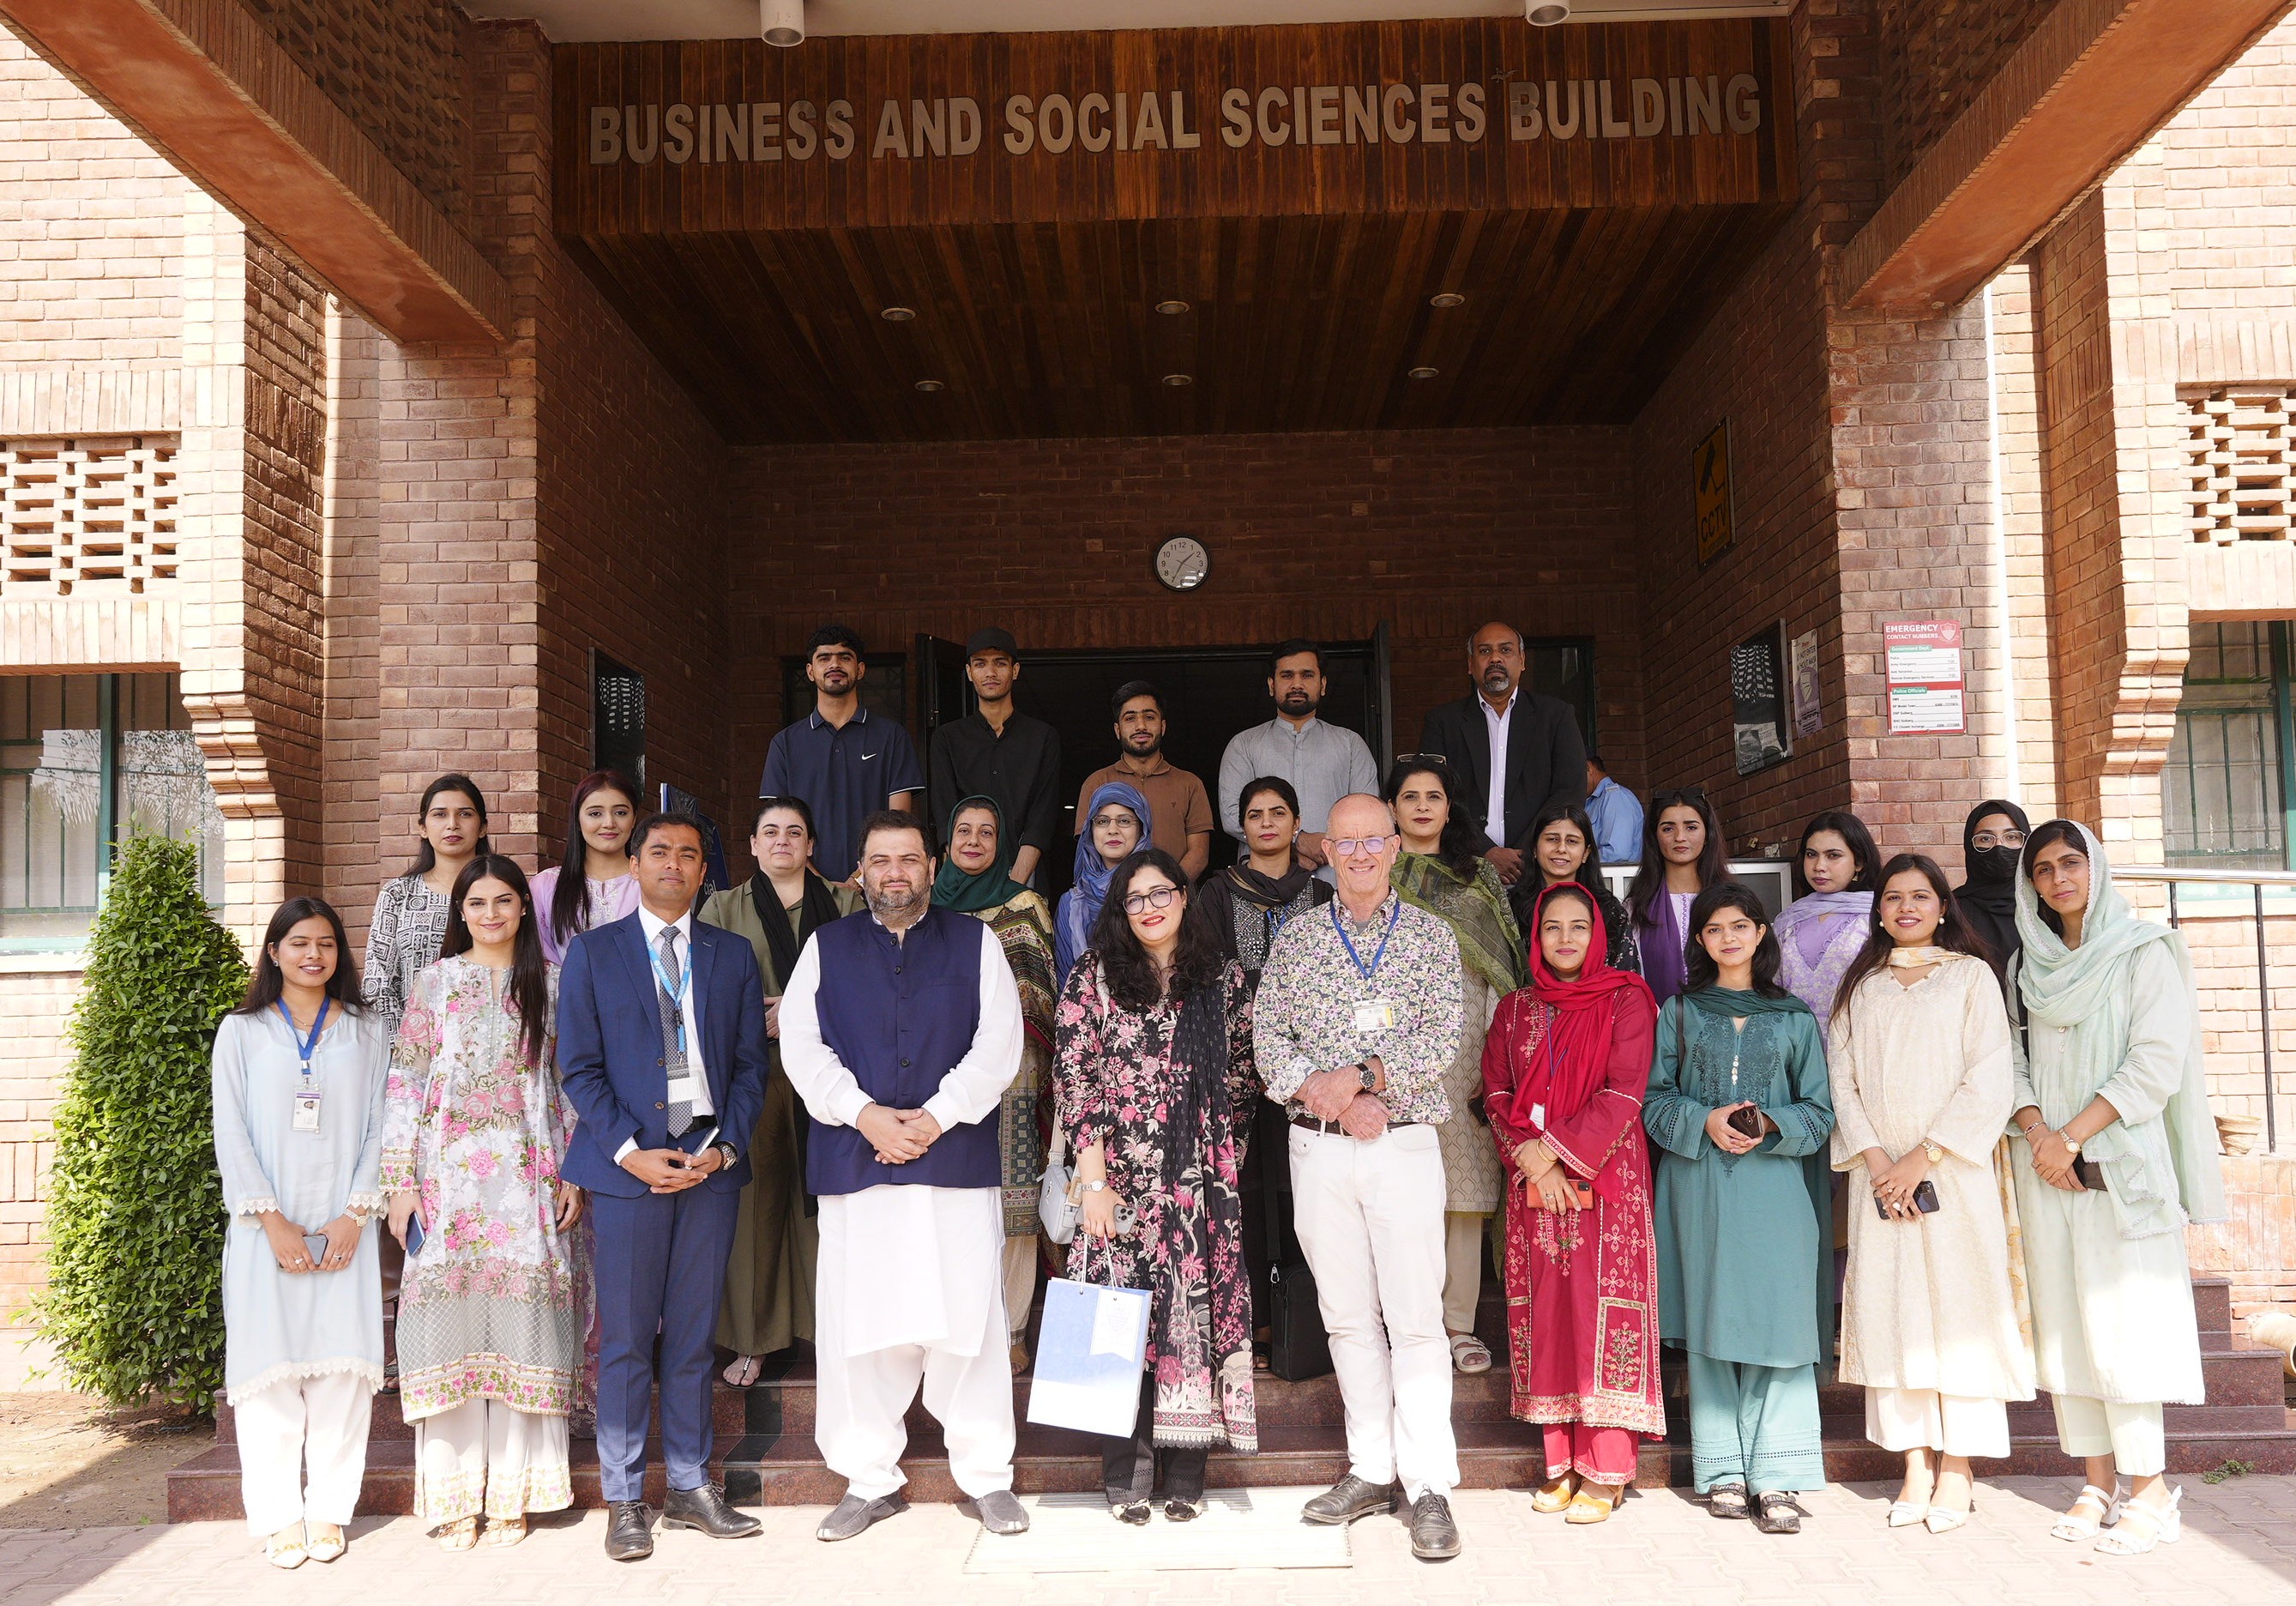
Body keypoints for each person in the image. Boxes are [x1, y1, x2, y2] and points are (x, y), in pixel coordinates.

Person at [777, 811, 1032, 1543]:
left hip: (951, 1161)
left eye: (909, 859)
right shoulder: (825, 947)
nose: (895, 872)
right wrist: (865, 1116)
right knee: (862, 1325)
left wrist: (936, 1117)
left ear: (931, 865)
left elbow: (997, 1045)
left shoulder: (975, 942)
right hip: (858, 1161)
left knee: (969, 1324)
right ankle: (868, 1479)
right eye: (880, 860)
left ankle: (986, 1477)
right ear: (859, 871)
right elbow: (802, 1048)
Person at [1254, 793, 1467, 1561]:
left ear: (1393, 847)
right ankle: (1371, 1469)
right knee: (1345, 1317)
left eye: (1373, 841)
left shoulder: (1432, 939)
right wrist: (1322, 1093)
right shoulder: (1298, 939)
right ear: (1328, 854)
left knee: (1413, 1319)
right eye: (1345, 844)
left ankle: (1430, 1482)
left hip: (1402, 1143)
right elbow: (1265, 1033)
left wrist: (1364, 1079)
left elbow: (1442, 1034)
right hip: (1318, 1148)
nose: (1362, 855)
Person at [2008, 821, 2227, 1556]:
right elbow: (2011, 1061)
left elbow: (2155, 1061)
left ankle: (2151, 1492)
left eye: (2071, 862)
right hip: (2046, 1173)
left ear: (2095, 868)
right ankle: (2096, 1481)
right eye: (2042, 868)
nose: (2058, 878)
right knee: (2067, 1329)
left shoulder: (2144, 951)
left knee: (2126, 1329)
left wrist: (2071, 1135)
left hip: (2119, 1171)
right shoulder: (2026, 964)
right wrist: (2040, 1134)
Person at [557, 812, 770, 1561]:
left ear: (704, 871)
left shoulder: (732, 955)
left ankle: (687, 1486)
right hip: (628, 1177)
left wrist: (725, 1147)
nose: (674, 864)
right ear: (634, 864)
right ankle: (623, 1498)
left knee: (689, 1338)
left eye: (688, 855)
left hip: (709, 1170)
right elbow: (577, 1067)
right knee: (625, 1342)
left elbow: (749, 1068)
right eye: (659, 853)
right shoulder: (592, 953)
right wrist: (627, 1153)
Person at [1826, 854, 2032, 1536]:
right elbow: (1842, 1080)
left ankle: (1957, 1466)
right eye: (1892, 898)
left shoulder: (1970, 978)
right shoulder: (1862, 988)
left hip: (1952, 1173)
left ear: (1944, 907)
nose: (1905, 908)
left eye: (1920, 896)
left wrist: (1923, 1157)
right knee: (1893, 1313)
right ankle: (1914, 1461)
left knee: (1959, 1308)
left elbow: (1989, 1076)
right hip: (1877, 1177)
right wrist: (1883, 1163)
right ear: (1877, 911)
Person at [383, 856, 584, 1550]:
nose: (491, 913)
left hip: (528, 1186)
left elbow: (571, 1089)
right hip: (446, 1186)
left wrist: (574, 1173)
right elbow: (406, 1084)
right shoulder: (435, 983)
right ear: (460, 911)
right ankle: (454, 1494)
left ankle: (516, 1496)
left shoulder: (552, 985)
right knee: (454, 1332)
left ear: (524, 909)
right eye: (477, 902)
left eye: (504, 901)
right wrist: (399, 1183)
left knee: (522, 1331)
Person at [1054, 849, 1260, 1521]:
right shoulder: (1093, 978)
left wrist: (1220, 1168)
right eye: (1133, 899)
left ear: (1183, 895)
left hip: (1200, 1184)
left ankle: (1187, 1470)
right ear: (1119, 910)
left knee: (1192, 1319)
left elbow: (1241, 1079)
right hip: (1116, 1181)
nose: (1148, 908)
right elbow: (1074, 1076)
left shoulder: (1222, 980)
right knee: (1120, 1322)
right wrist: (1091, 1182)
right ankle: (1126, 1470)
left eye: (1159, 893)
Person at [1643, 882, 1834, 1537]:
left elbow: (1819, 1111)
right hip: (1699, 1186)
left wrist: (1771, 1123)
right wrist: (1706, 1118)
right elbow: (1652, 1101)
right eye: (1714, 928)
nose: (1728, 937)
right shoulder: (1680, 1012)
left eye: (1740, 925)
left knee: (1777, 1326)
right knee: (1714, 1321)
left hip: (1775, 1189)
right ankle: (1723, 1471)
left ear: (1760, 933)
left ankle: (1776, 1473)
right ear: (1698, 940)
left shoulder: (1795, 1018)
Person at [211, 897, 389, 1569]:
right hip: (267, 1230)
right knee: (270, 1375)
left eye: (326, 944)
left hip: (346, 1224)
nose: (313, 955)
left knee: (343, 1374)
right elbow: (230, 1130)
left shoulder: (369, 1031)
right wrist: (272, 1221)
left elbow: (380, 1126)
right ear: (274, 952)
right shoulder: (243, 1030)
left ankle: (329, 1513)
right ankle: (281, 1514)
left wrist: (354, 1214)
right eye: (298, 944)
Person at [1481, 882, 1661, 1524]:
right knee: (1550, 1313)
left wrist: (1553, 1153)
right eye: (1551, 927)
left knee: (1600, 1312)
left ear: (1597, 934)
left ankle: (1605, 1467)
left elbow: (1624, 1092)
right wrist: (1529, 1156)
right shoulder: (1513, 1008)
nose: (1564, 939)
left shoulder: (1625, 999)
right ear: (1535, 936)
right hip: (1535, 1184)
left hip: (1607, 1178)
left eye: (1577, 927)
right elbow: (1496, 1090)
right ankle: (1559, 1462)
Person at [700, 796, 862, 1386]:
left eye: (795, 832)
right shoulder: (722, 907)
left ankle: (838, 1333)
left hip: (835, 1077)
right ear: (751, 845)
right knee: (757, 1207)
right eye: (770, 832)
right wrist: (754, 1015)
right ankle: (752, 1338)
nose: (782, 842)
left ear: (812, 845)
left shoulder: (846, 903)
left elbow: (867, 980)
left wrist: (797, 1008)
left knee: (832, 1205)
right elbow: (706, 990)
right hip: (755, 1076)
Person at [1385, 755, 1525, 1375]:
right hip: (1394, 1044)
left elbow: (1503, 966)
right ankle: (1406, 1324)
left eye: (1432, 796)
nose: (1420, 806)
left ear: (1449, 807)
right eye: (1408, 796)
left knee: (1466, 1189)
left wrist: (1498, 1053)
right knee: (1398, 1190)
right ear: (1391, 807)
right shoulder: (1374, 872)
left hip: (1470, 1040)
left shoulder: (1478, 879)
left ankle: (1458, 1325)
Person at [1195, 775, 1333, 1361]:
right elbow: (1202, 972)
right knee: (1245, 1188)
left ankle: (1308, 1322)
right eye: (1256, 814)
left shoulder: (1322, 896)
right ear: (1242, 826)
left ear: (1297, 823)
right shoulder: (1216, 893)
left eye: (1279, 812)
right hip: (1235, 1064)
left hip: (1310, 1068)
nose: (1268, 822)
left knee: (1306, 1185)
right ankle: (1250, 1320)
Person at [931, 795, 1061, 1373]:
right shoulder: (924, 909)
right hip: (936, 1081)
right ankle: (953, 1328)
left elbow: (1038, 988)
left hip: (1012, 1076)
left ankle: (1009, 1330)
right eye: (964, 831)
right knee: (946, 1203)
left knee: (1015, 1205)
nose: (975, 841)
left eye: (987, 832)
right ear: (947, 843)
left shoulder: (1024, 903)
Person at [1413, 622, 1588, 885]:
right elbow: (1434, 795)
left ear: (1522, 660)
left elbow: (1569, 792)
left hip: (1538, 869)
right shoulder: (1443, 722)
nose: (1495, 658)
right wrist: (1486, 852)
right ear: (1470, 665)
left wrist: (1526, 852)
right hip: (1464, 870)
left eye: (1505, 650)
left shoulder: (1556, 716)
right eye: (1485, 651)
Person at [759, 625, 924, 884]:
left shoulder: (892, 736)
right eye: (824, 658)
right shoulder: (785, 743)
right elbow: (778, 830)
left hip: (877, 886)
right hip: (803, 888)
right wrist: (821, 885)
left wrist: (858, 880)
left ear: (860, 669)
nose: (834, 664)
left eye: (844, 657)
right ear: (811, 672)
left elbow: (899, 824)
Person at [1219, 641, 1379, 879]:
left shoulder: (1350, 744)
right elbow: (1233, 815)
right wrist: (1297, 841)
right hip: (1263, 884)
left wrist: (1327, 847)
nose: (1297, 684)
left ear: (1322, 684)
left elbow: (1367, 815)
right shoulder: (1243, 745)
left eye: (1307, 675)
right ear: (1272, 685)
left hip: (1337, 883)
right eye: (1286, 675)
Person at [928, 628, 1064, 887]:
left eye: (1000, 663)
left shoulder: (1042, 737)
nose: (990, 673)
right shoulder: (947, 738)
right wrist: (963, 882)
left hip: (1025, 875)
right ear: (969, 673)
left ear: (1015, 670)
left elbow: (1042, 818)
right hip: (963, 877)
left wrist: (1015, 886)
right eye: (980, 664)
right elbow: (946, 815)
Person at [364, 774, 491, 1029]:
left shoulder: (499, 894)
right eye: (440, 814)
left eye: (465, 814)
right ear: (423, 827)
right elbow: (377, 983)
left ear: (483, 827)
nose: (452, 824)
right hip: (410, 1049)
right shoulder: (399, 894)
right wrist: (405, 1048)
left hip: (486, 1042)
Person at [1074, 679, 1215, 881]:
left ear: (1163, 726)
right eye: (1130, 718)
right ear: (1117, 730)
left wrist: (1165, 892)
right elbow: (1088, 852)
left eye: (1149, 717)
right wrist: (1118, 895)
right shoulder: (1096, 783)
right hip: (1110, 902)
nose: (1141, 726)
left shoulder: (1189, 784)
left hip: (1173, 901)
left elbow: (1199, 855)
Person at [1774, 811, 1882, 1027]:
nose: (1819, 866)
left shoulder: (1878, 916)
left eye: (1833, 855)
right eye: (1811, 854)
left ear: (1859, 862)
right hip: (1797, 1046)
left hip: (1855, 1043)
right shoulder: (1788, 920)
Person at [1508, 800, 1641, 975]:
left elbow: (1626, 977)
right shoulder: (1510, 908)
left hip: (1601, 1002)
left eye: (1572, 841)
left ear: (1586, 853)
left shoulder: (1609, 910)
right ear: (1534, 849)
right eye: (1552, 839)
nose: (1561, 848)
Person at [1626, 786, 1730, 1008]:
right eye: (1668, 829)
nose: (1680, 837)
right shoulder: (1635, 909)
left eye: (1691, 827)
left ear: (1708, 834)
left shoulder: (1731, 903)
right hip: (1656, 1029)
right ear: (1654, 836)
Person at [530, 770, 642, 967]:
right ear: (578, 820)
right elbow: (540, 956)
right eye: (595, 813)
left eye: (621, 813)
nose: (609, 823)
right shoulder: (546, 885)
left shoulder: (650, 881)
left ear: (633, 819)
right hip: (564, 996)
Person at [1056, 781, 1150, 986]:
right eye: (1102, 821)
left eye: (1124, 821)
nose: (1113, 830)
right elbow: (1065, 982)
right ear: (1091, 830)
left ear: (1142, 829)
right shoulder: (1072, 904)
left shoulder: (1158, 897)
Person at [1953, 800, 2030, 972]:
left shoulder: (2046, 904)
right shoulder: (1952, 909)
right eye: (1986, 839)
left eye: (2011, 837)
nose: (1999, 847)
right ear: (1970, 846)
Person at [1582, 752, 1643, 866]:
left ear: (1588, 767)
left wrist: (1578, 864)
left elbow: (1617, 853)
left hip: (1616, 880)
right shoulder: (1592, 801)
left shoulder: (1614, 797)